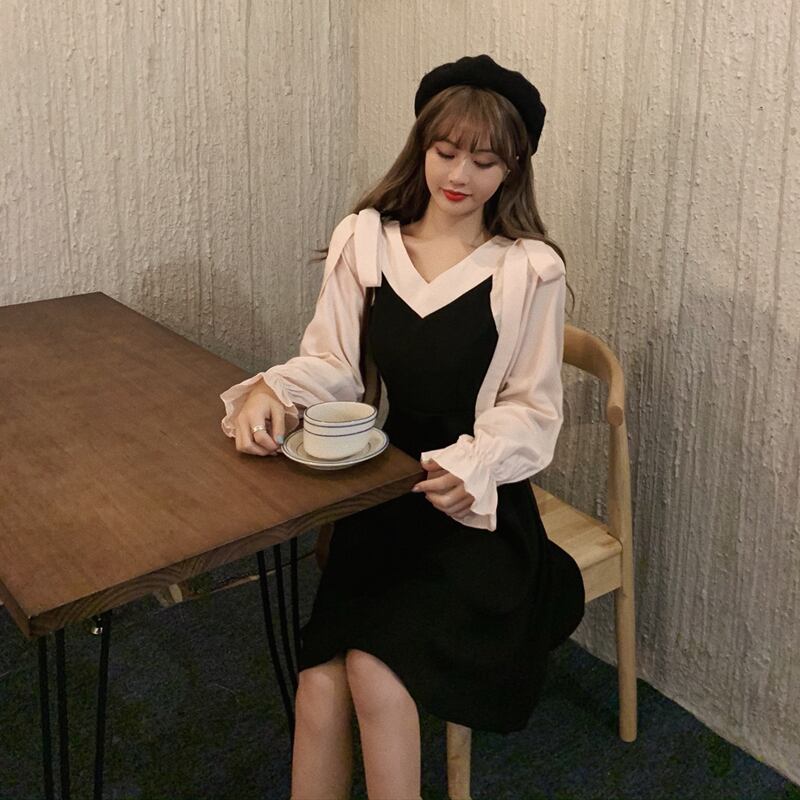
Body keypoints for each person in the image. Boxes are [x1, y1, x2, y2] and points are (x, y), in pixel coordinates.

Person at [219, 54, 585, 800]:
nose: (461, 175)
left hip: (475, 510)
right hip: (384, 494)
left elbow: (532, 409)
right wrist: (270, 389)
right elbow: (334, 365)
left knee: (372, 671)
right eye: (446, 151)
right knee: (319, 686)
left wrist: (476, 465)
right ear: (421, 145)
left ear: (514, 169)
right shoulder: (368, 242)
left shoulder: (527, 270)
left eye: (485, 161)